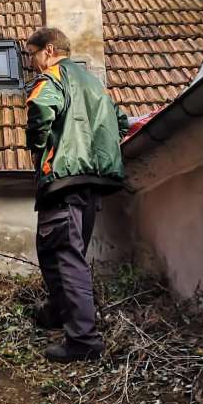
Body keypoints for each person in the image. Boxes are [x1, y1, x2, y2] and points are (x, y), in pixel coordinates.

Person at [24, 27, 129, 363]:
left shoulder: (53, 78)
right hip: (91, 183)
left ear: (49, 50)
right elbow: (121, 122)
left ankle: (84, 340)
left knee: (65, 256)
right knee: (59, 250)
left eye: (33, 55)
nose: (32, 63)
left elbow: (40, 110)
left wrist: (40, 151)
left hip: (64, 179)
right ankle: (59, 311)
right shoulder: (94, 83)